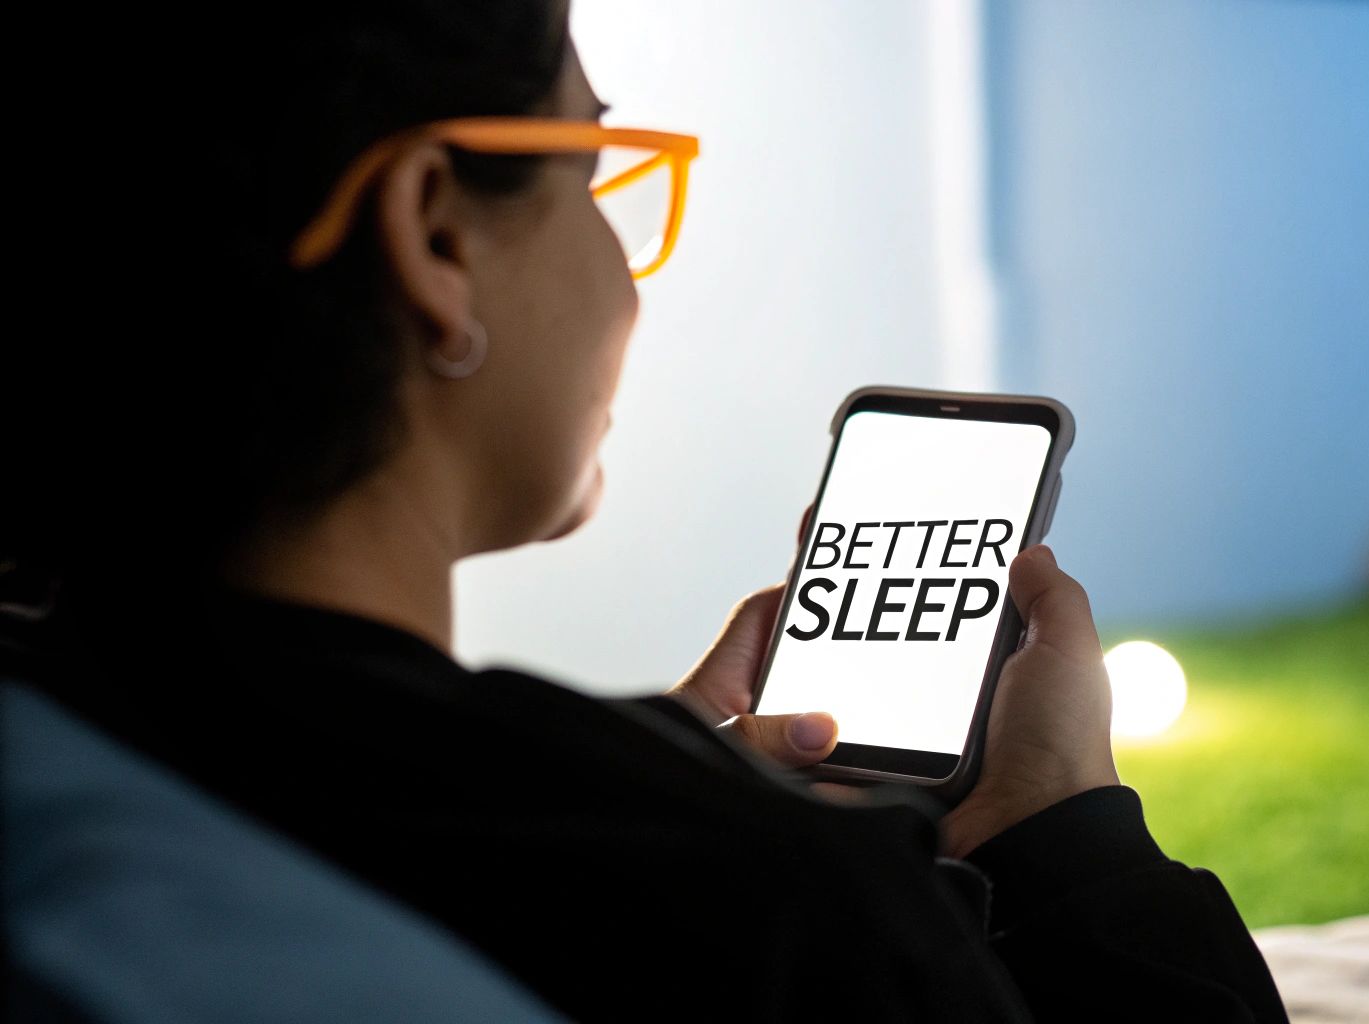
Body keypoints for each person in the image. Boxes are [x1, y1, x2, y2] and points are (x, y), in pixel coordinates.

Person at [1, 1, 1289, 1019]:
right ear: (434, 237)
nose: (625, 263)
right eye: (598, 165)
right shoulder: (774, 915)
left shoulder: (56, 706)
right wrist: (1061, 825)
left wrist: (627, 763)